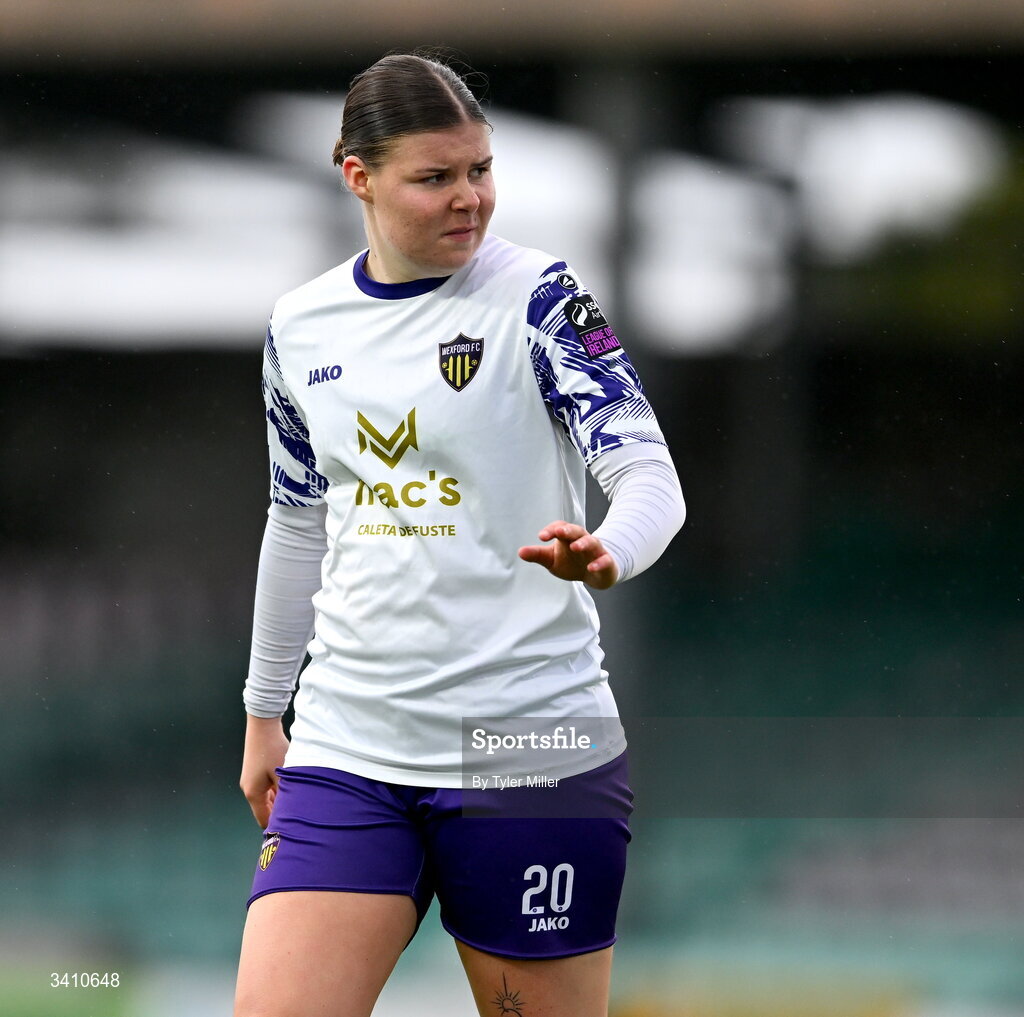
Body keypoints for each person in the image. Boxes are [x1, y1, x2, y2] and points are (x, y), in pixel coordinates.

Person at [233, 51, 685, 1017]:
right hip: (349, 746)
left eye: (480, 170)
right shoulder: (301, 326)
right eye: (434, 178)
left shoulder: (542, 299)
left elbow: (650, 474)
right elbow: (297, 519)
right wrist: (266, 709)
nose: (468, 199)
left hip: (527, 748)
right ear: (358, 176)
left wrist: (613, 547)